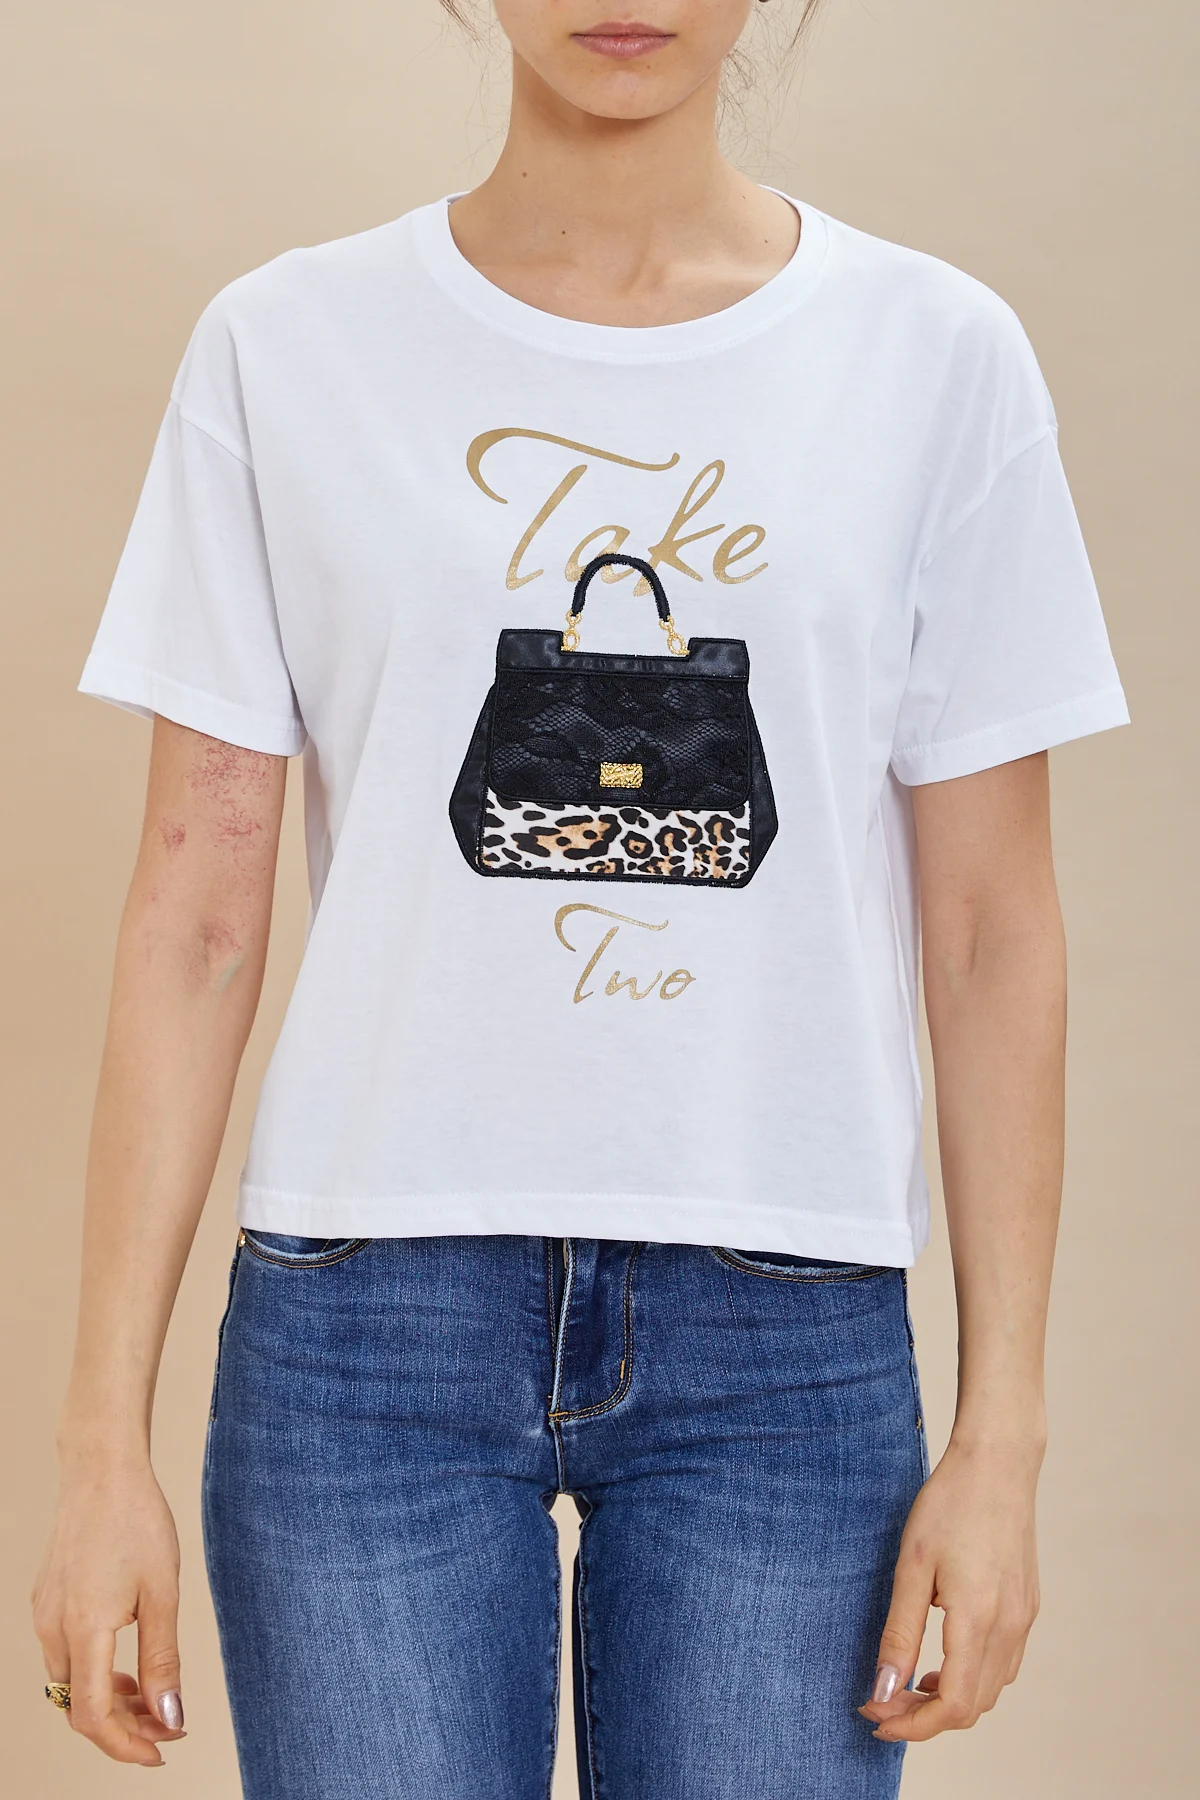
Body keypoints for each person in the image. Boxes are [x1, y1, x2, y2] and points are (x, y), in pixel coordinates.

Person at [32, 4, 1129, 1796]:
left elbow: (994, 932)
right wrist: (101, 1447)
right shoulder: (287, 346)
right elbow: (195, 914)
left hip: (788, 1323)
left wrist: (1004, 1433)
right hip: (363, 1316)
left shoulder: (936, 357)